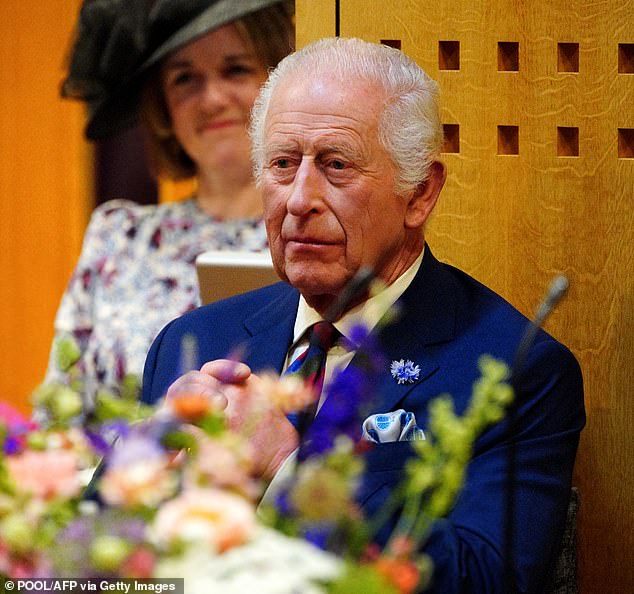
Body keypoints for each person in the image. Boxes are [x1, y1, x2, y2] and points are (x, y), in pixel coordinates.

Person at [141, 38, 585, 593]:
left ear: (419, 193)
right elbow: (107, 565)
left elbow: (487, 577)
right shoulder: (195, 340)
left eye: (335, 165)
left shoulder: (515, 369)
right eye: (283, 164)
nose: (300, 199)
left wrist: (288, 469)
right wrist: (134, 467)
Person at [44, 0, 294, 399]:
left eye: (236, 69)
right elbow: (60, 411)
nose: (211, 98)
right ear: (162, 106)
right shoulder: (118, 234)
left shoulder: (310, 233)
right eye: (184, 79)